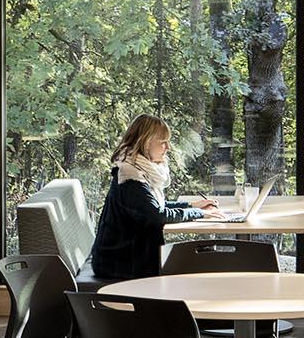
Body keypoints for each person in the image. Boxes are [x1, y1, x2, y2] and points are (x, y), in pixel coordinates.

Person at [89, 115, 224, 282]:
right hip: (121, 262)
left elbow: (151, 206)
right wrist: (199, 213)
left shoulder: (137, 169)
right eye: (163, 142)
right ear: (146, 142)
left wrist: (192, 205)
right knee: (200, 267)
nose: (168, 147)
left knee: (200, 264)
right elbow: (157, 215)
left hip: (127, 255)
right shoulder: (130, 176)